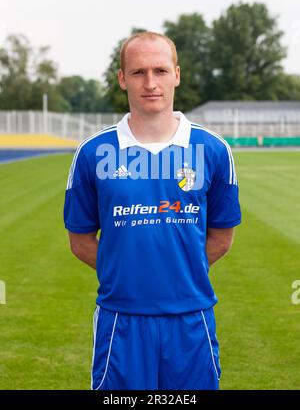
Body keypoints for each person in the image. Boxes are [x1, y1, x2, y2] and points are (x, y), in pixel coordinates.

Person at [63, 31, 241, 390]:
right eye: (138, 72)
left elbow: (221, 237)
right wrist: (129, 273)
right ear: (121, 79)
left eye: (160, 71)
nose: (150, 83)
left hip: (191, 318)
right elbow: (80, 240)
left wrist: (177, 273)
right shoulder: (93, 152)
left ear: (176, 74)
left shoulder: (212, 150)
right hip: (121, 320)